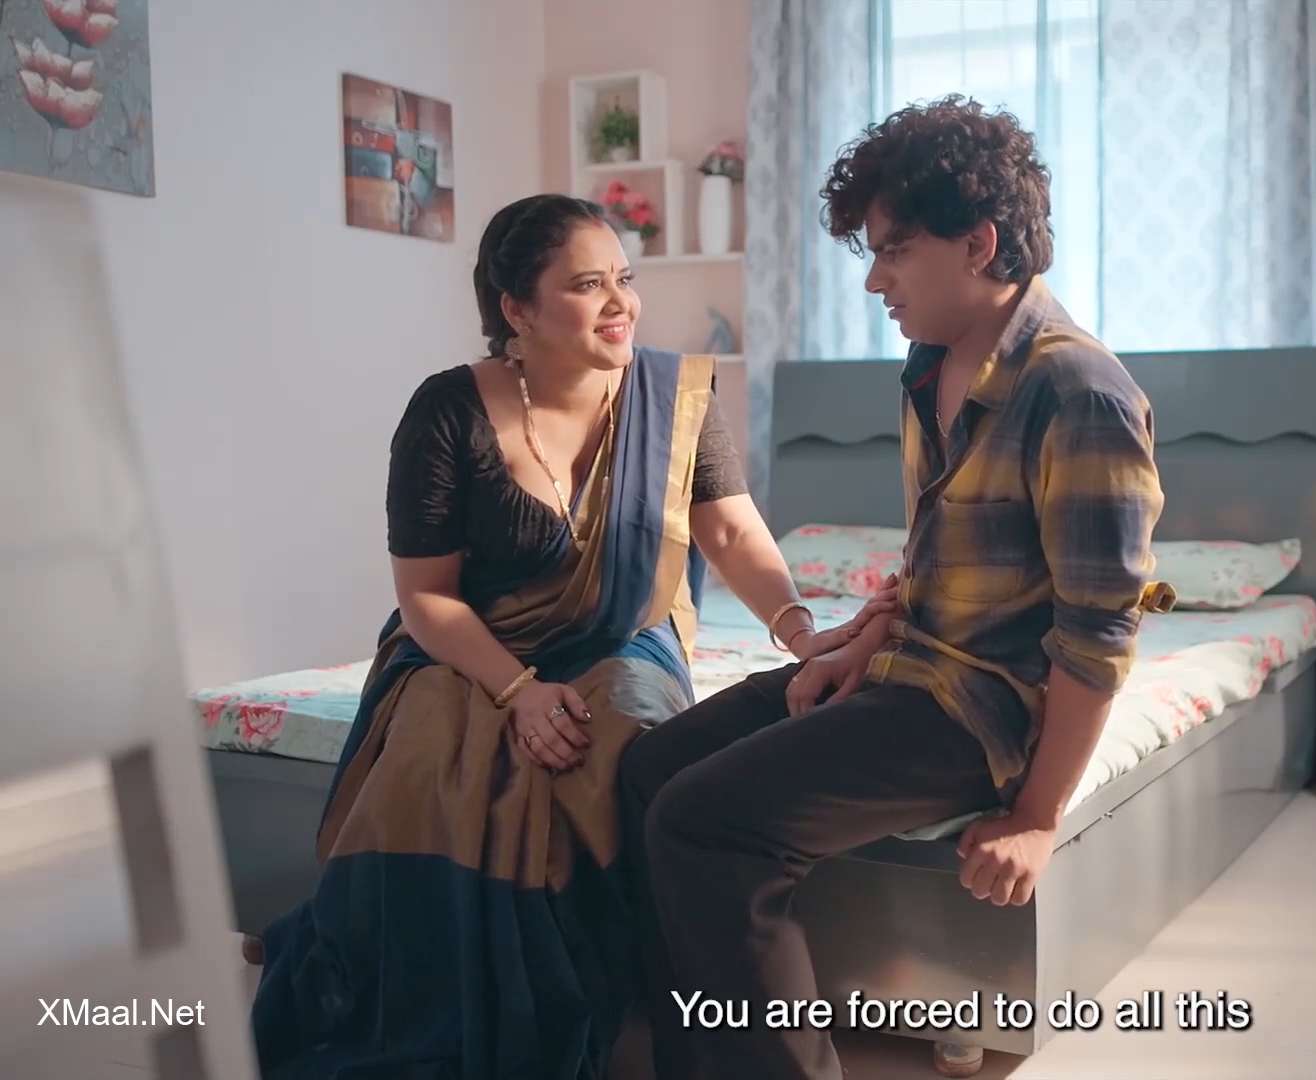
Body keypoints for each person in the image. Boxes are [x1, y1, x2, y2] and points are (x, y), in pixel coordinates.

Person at [248, 194, 891, 1079]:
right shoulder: (447, 411)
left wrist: (796, 628)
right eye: (588, 285)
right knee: (430, 744)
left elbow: (733, 532)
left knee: (625, 737)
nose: (621, 303)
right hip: (469, 640)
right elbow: (426, 596)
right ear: (516, 309)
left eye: (624, 278)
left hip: (624, 637)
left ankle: (605, 989)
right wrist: (516, 692)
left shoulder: (673, 400)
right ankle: (438, 996)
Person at [617, 96, 1171, 1080]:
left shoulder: (1079, 394)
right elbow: (935, 559)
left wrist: (1037, 818)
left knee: (703, 824)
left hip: (980, 713)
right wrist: (861, 644)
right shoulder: (930, 366)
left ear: (980, 244)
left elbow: (1097, 636)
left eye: (894, 253)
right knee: (650, 772)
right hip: (906, 671)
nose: (875, 280)